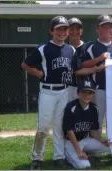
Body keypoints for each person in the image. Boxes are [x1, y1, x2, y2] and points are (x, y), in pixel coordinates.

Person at [21, 16, 74, 169]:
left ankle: (59, 157)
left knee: (59, 126)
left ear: (68, 32)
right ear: (51, 31)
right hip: (47, 91)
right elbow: (25, 64)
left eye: (64, 29)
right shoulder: (43, 48)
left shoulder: (71, 50)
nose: (62, 32)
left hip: (64, 90)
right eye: (58, 29)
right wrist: (39, 74)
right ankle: (37, 157)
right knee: (43, 127)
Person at [79, 14, 112, 135]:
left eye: (109, 27)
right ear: (97, 29)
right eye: (103, 27)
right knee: (97, 120)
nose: (107, 30)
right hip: (97, 88)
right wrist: (99, 59)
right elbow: (82, 65)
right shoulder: (89, 46)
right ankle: (96, 148)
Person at [67, 17, 85, 102]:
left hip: (85, 87)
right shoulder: (64, 49)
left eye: (77, 29)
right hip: (68, 87)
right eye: (71, 29)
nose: (74, 31)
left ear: (82, 31)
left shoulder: (87, 48)